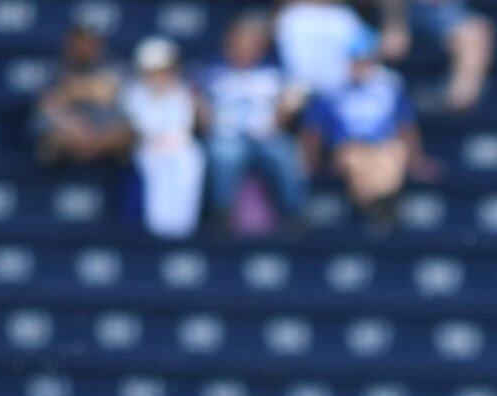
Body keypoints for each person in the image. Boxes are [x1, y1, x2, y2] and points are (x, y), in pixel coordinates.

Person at [299, 31, 436, 228]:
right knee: (356, 159)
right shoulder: (331, 89)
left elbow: (405, 125)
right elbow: (313, 130)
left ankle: (377, 207)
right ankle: (381, 209)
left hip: (383, 145)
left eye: (364, 61)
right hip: (347, 146)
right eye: (355, 61)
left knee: (394, 154)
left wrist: (417, 159)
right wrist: (310, 163)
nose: (359, 66)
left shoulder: (389, 87)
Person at [199, 14, 309, 229]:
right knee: (226, 156)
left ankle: (294, 216)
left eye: (252, 43)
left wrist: (285, 111)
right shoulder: (212, 70)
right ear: (230, 42)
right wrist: (205, 116)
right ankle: (221, 215)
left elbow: (293, 100)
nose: (246, 47)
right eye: (241, 41)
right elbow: (197, 102)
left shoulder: (274, 72)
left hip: (266, 134)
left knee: (285, 154)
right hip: (226, 134)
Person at [121, 38, 205, 239]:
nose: (161, 76)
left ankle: (184, 229)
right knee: (159, 185)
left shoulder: (182, 91)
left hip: (181, 148)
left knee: (190, 163)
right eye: (155, 71)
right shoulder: (134, 93)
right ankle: (158, 231)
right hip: (149, 149)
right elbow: (142, 126)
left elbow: (187, 123)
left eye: (165, 70)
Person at [33, 23, 131, 165]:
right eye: (79, 43)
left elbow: (117, 99)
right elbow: (47, 107)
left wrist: (72, 91)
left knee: (126, 133)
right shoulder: (54, 71)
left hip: (105, 134)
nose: (84, 48)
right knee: (48, 140)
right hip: (69, 135)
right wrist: (74, 129)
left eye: (90, 43)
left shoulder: (116, 68)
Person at [377, 1, 495, 111]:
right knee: (392, 44)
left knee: (475, 32)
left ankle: (453, 105)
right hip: (392, 12)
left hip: (443, 12)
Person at [275, 0, 372, 99]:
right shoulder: (291, 15)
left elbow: (360, 53)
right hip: (297, 89)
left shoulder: (345, 17)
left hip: (338, 91)